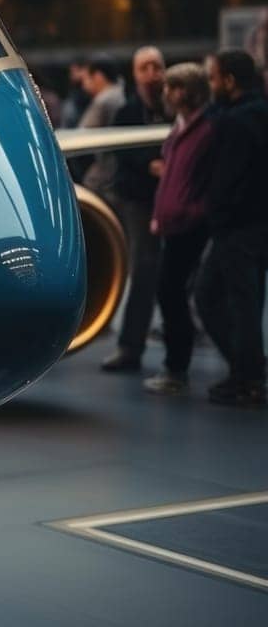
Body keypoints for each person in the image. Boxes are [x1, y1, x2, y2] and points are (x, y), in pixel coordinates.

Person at [193, 50, 268, 405]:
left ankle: (248, 375)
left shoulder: (233, 122)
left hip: (235, 228)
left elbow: (224, 181)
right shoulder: (260, 113)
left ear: (229, 81)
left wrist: (214, 213)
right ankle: (249, 371)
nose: (211, 85)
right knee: (249, 302)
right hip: (258, 224)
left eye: (214, 78)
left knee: (213, 297)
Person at [143, 63, 215, 394]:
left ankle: (176, 368)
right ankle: (175, 366)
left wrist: (189, 212)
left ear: (189, 92)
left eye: (174, 87)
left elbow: (207, 183)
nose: (167, 93)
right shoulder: (181, 128)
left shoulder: (206, 131)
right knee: (170, 293)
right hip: (173, 222)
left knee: (172, 293)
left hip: (188, 225)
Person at [101, 47, 165, 373]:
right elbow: (122, 154)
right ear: (135, 74)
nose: (152, 73)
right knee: (143, 269)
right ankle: (130, 346)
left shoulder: (173, 108)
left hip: (173, 200)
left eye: (157, 66)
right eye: (145, 68)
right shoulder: (126, 112)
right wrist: (149, 164)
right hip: (140, 199)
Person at [77, 56, 126, 199]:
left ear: (98, 76)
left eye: (86, 78)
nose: (83, 84)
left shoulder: (104, 100)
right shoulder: (121, 92)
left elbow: (82, 134)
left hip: (107, 175)